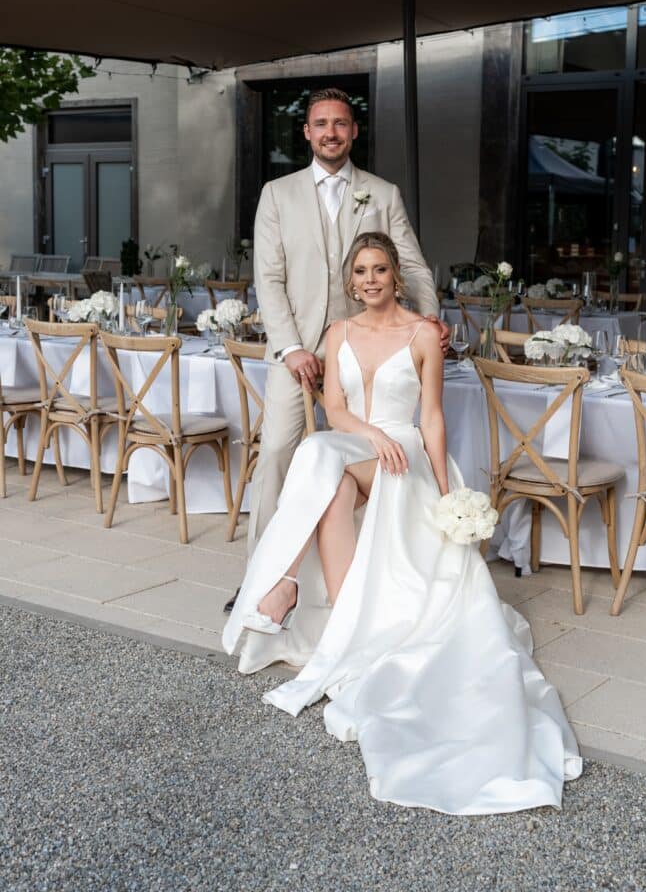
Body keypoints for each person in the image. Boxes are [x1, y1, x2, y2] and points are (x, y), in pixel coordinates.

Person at [223, 233, 581, 816]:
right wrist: (371, 435)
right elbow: (334, 410)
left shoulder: (422, 335)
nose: (370, 280)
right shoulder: (337, 331)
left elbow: (432, 418)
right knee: (326, 468)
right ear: (351, 280)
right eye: (361, 271)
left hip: (403, 454)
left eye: (380, 270)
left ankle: (284, 584)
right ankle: (333, 612)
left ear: (396, 276)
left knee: (319, 458)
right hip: (358, 444)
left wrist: (445, 491)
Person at [223, 89, 442, 613]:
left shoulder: (382, 194)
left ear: (354, 131)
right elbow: (269, 279)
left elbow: (411, 263)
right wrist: (291, 348)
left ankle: (368, 572)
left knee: (358, 458)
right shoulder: (277, 194)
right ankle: (262, 577)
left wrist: (429, 317)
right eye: (320, 124)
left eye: (340, 123)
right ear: (306, 132)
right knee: (279, 453)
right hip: (297, 352)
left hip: (364, 350)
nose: (330, 133)